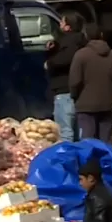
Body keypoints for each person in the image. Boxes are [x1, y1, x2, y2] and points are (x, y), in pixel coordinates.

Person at [68, 24, 112, 144]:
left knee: (88, 143)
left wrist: (75, 97)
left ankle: (91, 163)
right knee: (106, 142)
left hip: (85, 106)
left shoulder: (80, 55)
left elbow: (75, 81)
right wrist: (110, 94)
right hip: (106, 105)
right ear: (101, 35)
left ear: (85, 36)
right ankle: (106, 163)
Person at [45, 11, 86, 142]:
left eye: (62, 22)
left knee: (65, 131)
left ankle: (68, 160)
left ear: (68, 27)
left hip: (64, 89)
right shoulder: (82, 41)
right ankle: (79, 160)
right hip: (78, 91)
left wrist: (49, 63)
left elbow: (65, 59)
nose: (60, 25)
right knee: (77, 132)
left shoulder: (69, 42)